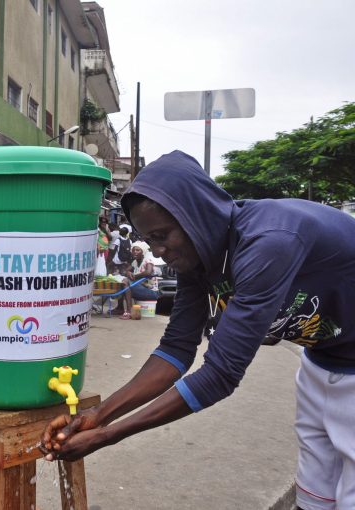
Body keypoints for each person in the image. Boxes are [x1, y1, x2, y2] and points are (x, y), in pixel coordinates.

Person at [41, 150, 355, 510]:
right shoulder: (198, 257)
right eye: (150, 239)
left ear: (196, 214)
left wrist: (108, 435)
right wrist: (96, 416)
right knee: (315, 495)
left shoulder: (270, 241)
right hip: (322, 362)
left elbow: (220, 375)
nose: (158, 252)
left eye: (162, 235)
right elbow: (176, 349)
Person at [116, 240, 161, 319]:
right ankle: (120, 308)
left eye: (137, 250)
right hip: (142, 288)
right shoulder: (135, 262)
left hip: (152, 292)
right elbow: (126, 271)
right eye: (133, 250)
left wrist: (135, 276)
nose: (135, 252)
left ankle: (129, 312)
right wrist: (128, 273)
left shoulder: (148, 261)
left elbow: (148, 272)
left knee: (126, 282)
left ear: (142, 252)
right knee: (122, 282)